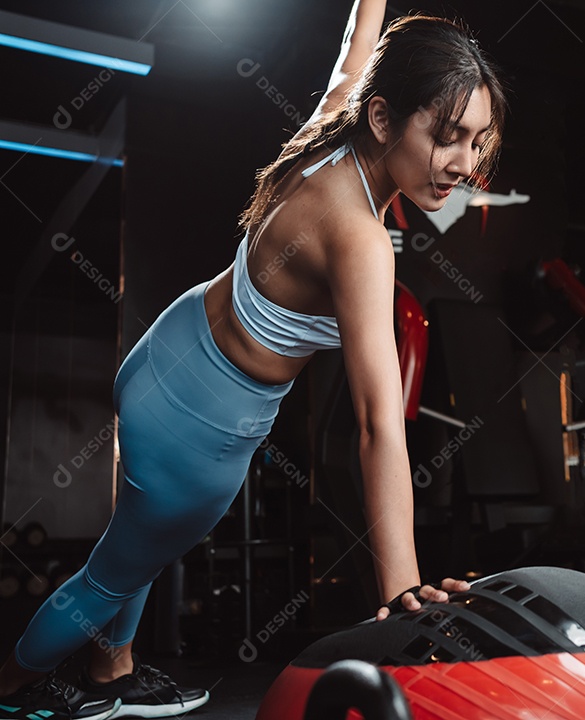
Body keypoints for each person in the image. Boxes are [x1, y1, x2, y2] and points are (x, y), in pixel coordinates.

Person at [0, 2, 508, 718]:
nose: (464, 165)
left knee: (133, 544)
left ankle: (110, 674)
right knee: (108, 577)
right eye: (448, 137)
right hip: (198, 437)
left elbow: (358, 40)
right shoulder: (360, 239)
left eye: (477, 141)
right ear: (387, 119)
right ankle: (9, 688)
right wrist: (403, 591)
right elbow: (377, 424)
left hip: (163, 355)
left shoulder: (336, 121)